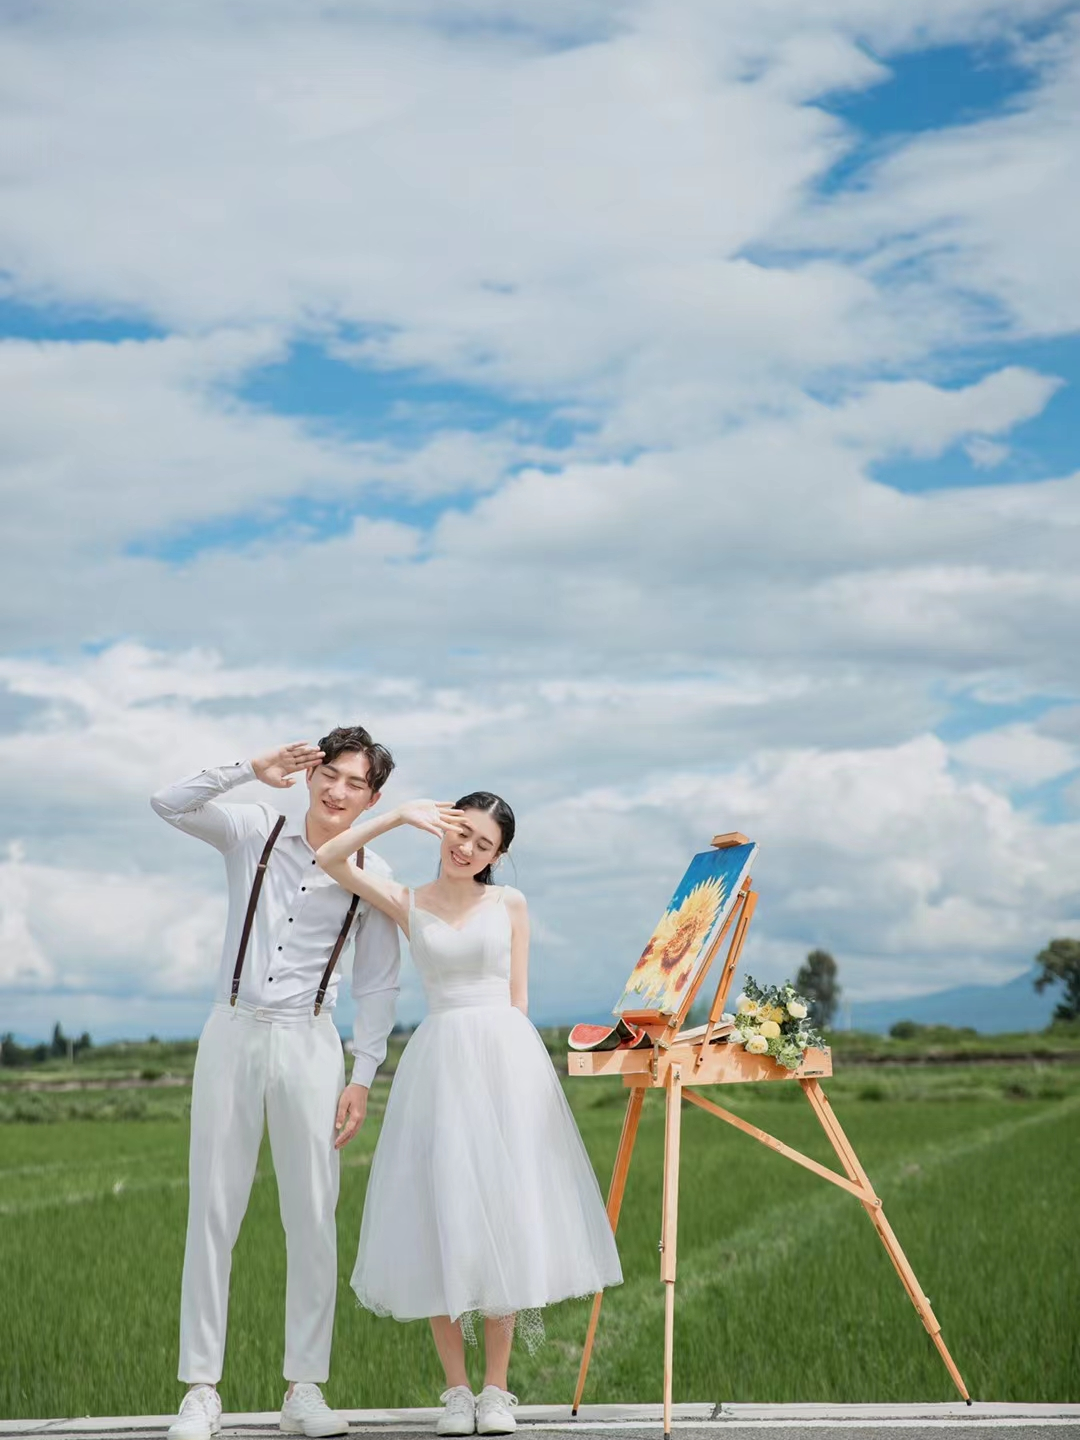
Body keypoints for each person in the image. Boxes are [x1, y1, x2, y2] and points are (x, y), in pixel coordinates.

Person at [316, 793, 622, 1438]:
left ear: (497, 856)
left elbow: (519, 1000)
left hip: (504, 1065)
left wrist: (522, 1090)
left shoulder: (510, 904)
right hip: (438, 1067)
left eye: (484, 845)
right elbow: (331, 857)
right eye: (461, 833)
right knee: (444, 1217)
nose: (467, 850)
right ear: (444, 827)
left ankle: (496, 1390)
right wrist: (398, 815)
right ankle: (456, 1391)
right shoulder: (407, 900)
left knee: (502, 1219)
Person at [150, 729, 401, 1440]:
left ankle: (304, 1389)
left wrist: (363, 1076)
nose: (337, 790)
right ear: (310, 773)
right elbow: (167, 802)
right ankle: (201, 1390)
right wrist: (248, 769)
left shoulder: (373, 872)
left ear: (373, 798)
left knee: (313, 1214)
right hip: (230, 1030)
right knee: (212, 1209)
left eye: (355, 783)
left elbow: (379, 984)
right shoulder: (256, 828)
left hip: (311, 1040)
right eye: (330, 774)